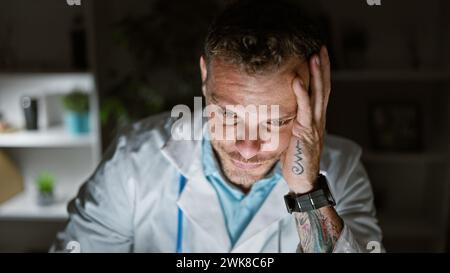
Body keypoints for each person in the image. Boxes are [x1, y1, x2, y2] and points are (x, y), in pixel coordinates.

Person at [52, 0, 382, 253]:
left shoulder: (342, 172)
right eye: (229, 116)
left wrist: (307, 191)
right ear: (204, 77)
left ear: (313, 97)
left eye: (276, 121)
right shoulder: (132, 163)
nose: (248, 146)